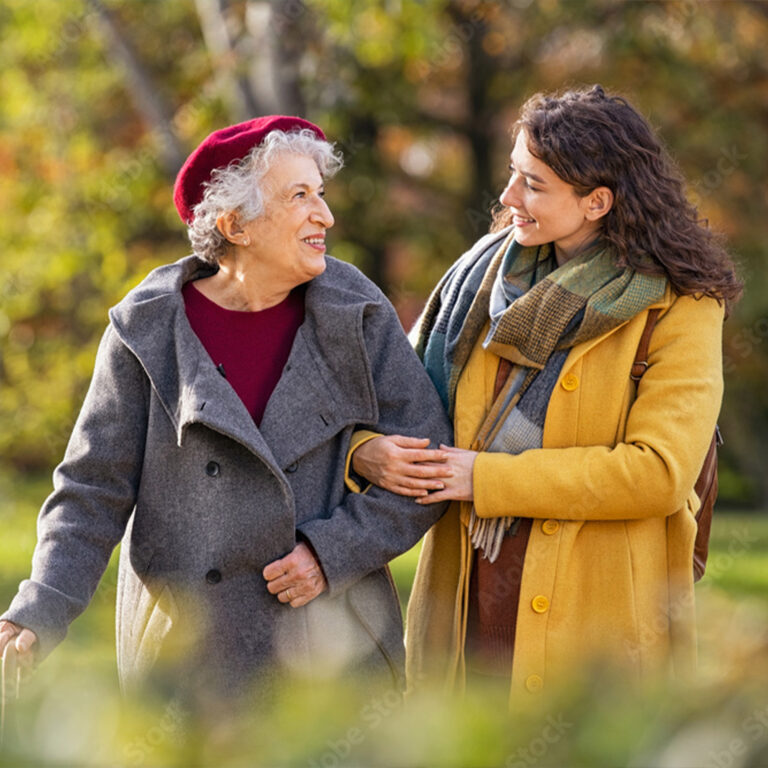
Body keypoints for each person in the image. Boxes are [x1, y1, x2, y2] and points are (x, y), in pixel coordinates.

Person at [0, 116, 451, 703]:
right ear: (235, 223)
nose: (325, 215)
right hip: (188, 660)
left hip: (332, 650)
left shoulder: (355, 311)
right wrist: (39, 610)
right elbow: (92, 490)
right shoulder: (146, 329)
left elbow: (429, 462)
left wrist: (331, 551)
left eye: (320, 193)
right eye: (299, 196)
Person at [350, 85, 742, 697]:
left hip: (596, 622)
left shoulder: (681, 306)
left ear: (597, 201)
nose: (507, 199)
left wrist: (487, 479)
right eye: (513, 175)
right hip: (465, 603)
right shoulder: (478, 286)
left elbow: (659, 472)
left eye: (533, 184)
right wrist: (364, 451)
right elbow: (391, 405)